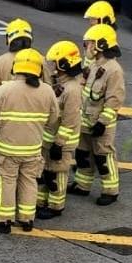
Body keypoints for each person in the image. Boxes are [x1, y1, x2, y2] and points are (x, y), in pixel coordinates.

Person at [0, 49, 59, 234]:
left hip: (6, 150)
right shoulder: (47, 91)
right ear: (39, 70)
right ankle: (27, 219)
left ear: (15, 67)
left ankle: (3, 221)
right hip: (32, 149)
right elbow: (53, 119)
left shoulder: (5, 90)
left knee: (6, 182)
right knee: (29, 181)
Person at [68, 24, 124, 206]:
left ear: (100, 45)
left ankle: (111, 191)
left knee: (103, 157)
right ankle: (82, 185)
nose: (86, 47)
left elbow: (114, 100)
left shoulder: (114, 70)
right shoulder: (93, 65)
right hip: (85, 121)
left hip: (101, 124)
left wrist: (102, 122)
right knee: (83, 154)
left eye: (89, 43)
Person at [38, 41, 83, 219]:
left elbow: (70, 120)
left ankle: (56, 206)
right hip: (50, 138)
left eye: (54, 63)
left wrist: (59, 143)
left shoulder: (72, 90)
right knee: (46, 171)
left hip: (62, 142)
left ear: (63, 65)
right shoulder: (60, 84)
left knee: (58, 173)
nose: (51, 66)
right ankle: (41, 202)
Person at [0, 18, 52, 97]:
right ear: (30, 37)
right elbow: (49, 87)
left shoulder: (1, 61)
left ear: (8, 38)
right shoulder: (41, 59)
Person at [82, 1, 117, 70]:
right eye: (90, 19)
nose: (90, 22)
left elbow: (91, 56)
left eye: (93, 19)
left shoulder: (107, 39)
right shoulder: (95, 32)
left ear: (105, 20)